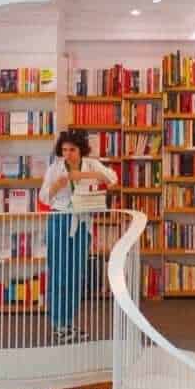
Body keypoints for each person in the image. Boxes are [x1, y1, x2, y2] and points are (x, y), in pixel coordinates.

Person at [38, 128, 118, 343]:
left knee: (76, 276)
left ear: (81, 150)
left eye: (72, 150)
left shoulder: (91, 164)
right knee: (59, 275)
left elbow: (112, 179)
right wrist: (57, 185)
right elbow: (44, 197)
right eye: (64, 150)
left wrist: (81, 176)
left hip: (82, 224)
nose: (68, 154)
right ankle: (58, 325)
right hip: (60, 221)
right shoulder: (55, 168)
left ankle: (69, 324)